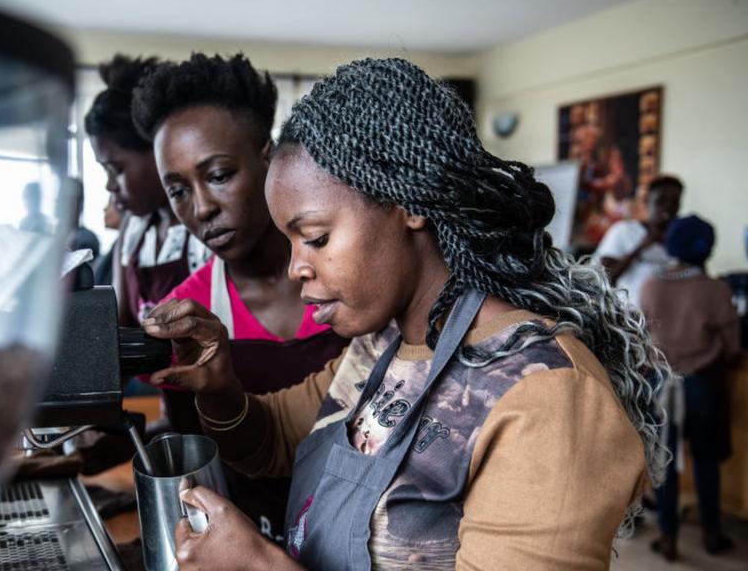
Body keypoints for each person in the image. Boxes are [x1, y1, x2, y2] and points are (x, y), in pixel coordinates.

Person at [141, 58, 674, 570]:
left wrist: (260, 566)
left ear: (410, 203)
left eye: (316, 238)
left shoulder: (548, 397)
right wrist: (219, 386)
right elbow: (274, 441)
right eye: (291, 243)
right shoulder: (382, 346)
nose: (294, 269)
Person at [132, 52, 350, 543]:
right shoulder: (186, 317)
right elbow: (195, 461)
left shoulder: (357, 285)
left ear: (268, 159)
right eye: (178, 190)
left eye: (219, 175)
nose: (202, 207)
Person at [640, 215, 739, 561]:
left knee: (666, 465)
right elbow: (731, 342)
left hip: (662, 386)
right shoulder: (714, 289)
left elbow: (642, 334)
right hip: (700, 386)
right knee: (706, 462)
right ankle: (712, 533)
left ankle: (668, 538)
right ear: (707, 249)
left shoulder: (651, 284)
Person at [83, 54, 209, 325]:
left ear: (158, 151)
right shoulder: (133, 231)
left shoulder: (209, 225)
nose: (109, 185)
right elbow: (119, 325)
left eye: (116, 169)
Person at [594, 175, 683, 309]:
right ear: (647, 202)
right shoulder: (623, 231)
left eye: (674, 202)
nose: (667, 207)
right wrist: (642, 246)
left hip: (668, 319)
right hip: (629, 318)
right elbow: (604, 277)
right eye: (661, 201)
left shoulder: (681, 237)